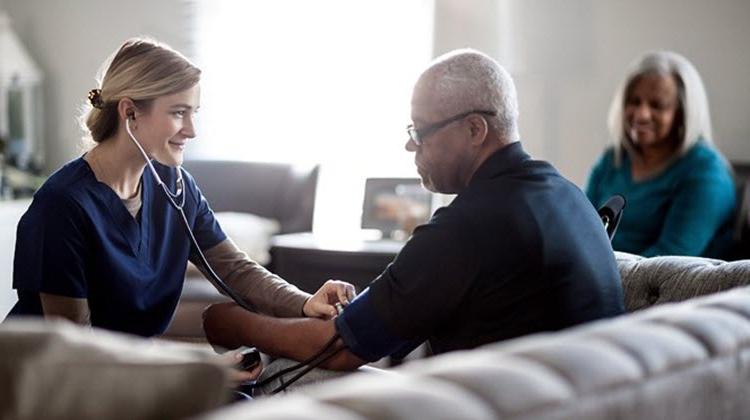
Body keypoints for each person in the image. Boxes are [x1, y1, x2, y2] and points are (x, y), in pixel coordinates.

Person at [202, 49, 625, 382]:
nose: (411, 146)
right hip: (581, 399)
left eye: (420, 131)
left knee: (272, 373)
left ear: (475, 129)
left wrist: (233, 324)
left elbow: (340, 348)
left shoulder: (470, 225)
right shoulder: (569, 196)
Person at [6, 38, 354, 354]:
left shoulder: (175, 186)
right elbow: (76, 349)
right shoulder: (62, 206)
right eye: (178, 112)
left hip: (125, 374)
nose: (191, 130)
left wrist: (306, 303)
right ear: (130, 113)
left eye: (194, 113)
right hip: (43, 385)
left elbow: (235, 270)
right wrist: (197, 370)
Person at [586, 51, 736, 258]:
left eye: (657, 105)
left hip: (662, 286)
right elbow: (580, 230)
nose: (641, 114)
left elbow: (669, 261)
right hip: (598, 277)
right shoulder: (613, 159)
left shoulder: (707, 173)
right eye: (634, 102)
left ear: (683, 113)